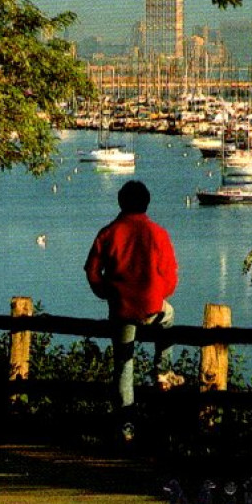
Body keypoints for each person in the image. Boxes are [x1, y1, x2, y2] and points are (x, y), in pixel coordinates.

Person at [84, 180, 182, 434]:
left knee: (124, 366)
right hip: (151, 306)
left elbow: (92, 270)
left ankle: (126, 424)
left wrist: (105, 292)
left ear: (121, 202)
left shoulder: (108, 233)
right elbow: (170, 276)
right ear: (146, 203)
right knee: (169, 314)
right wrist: (159, 293)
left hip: (121, 310)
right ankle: (162, 369)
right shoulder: (158, 233)